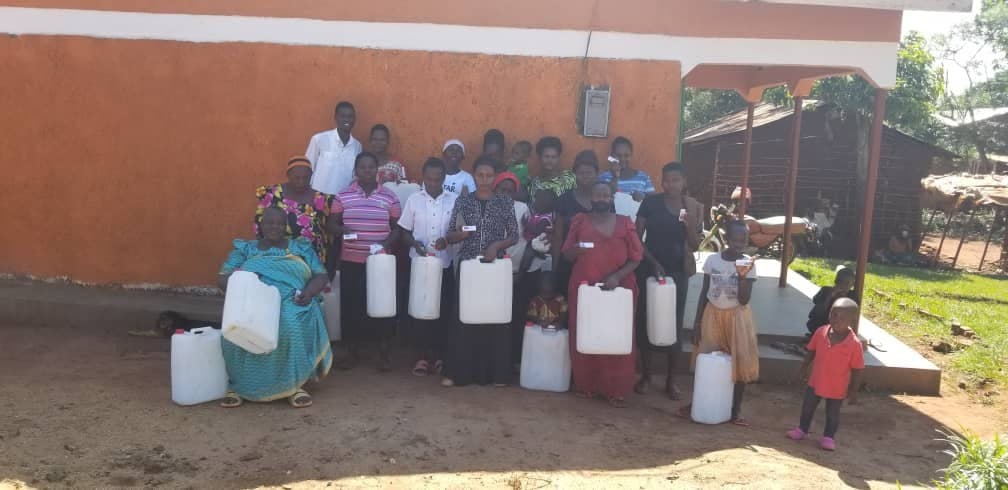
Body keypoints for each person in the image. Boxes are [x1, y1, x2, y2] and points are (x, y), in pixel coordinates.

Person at [218, 207, 332, 408]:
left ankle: (294, 386)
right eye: (270, 223)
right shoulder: (246, 249)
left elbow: (320, 275)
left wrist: (309, 292)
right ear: (261, 225)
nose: (274, 227)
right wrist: (244, 287)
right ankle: (239, 387)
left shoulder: (300, 248)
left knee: (289, 325)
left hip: (291, 299)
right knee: (238, 327)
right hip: (253, 299)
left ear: (285, 226)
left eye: (279, 223)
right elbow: (223, 278)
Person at [562, 182, 643, 408]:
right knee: (585, 333)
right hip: (585, 287)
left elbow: (636, 257)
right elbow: (567, 254)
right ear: (591, 198)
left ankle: (616, 390)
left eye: (605, 195)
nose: (601, 198)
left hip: (619, 288)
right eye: (597, 194)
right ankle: (586, 385)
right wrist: (577, 249)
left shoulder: (625, 223)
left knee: (617, 336)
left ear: (611, 198)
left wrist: (617, 276)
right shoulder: (580, 221)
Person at [443, 156, 519, 387]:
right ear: (474, 176)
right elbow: (450, 234)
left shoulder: (505, 202)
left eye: (489, 175)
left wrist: (496, 246)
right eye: (480, 175)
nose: (484, 180)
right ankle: (459, 373)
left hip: (495, 268)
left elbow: (514, 235)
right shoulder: (463, 201)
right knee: (464, 317)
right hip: (469, 266)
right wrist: (461, 234)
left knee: (494, 316)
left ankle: (495, 374)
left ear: (495, 177)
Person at [678, 220, 759, 425]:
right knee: (706, 361)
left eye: (744, 240)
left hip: (737, 317)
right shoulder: (712, 260)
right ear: (726, 238)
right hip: (712, 315)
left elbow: (744, 300)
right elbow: (704, 293)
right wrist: (697, 323)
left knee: (739, 362)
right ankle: (699, 402)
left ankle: (735, 409)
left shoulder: (748, 264)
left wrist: (742, 276)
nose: (739, 244)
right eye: (735, 239)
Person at [634, 162, 703, 399]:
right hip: (649, 270)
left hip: (677, 273)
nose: (670, 184)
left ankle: (671, 380)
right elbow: (636, 237)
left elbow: (695, 245)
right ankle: (646, 376)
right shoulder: (650, 203)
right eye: (666, 180)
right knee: (646, 320)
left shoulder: (691, 207)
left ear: (684, 182)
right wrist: (653, 263)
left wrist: (690, 226)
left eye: (675, 180)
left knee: (674, 323)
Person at [328, 152, 402, 372]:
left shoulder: (390, 197)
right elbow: (331, 225)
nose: (367, 171)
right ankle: (352, 353)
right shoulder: (342, 196)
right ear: (356, 170)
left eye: (371, 167)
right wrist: (342, 230)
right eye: (362, 167)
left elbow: (398, 229)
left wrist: (384, 245)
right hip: (351, 260)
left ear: (377, 170)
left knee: (383, 307)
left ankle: (384, 353)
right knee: (352, 307)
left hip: (380, 263)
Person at [398, 158, 458, 377]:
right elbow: (404, 231)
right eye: (429, 179)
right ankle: (422, 357)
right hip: (420, 266)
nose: (432, 184)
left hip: (444, 265)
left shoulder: (454, 200)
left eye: (437, 179)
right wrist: (414, 244)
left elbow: (461, 230)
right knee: (420, 311)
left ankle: (440, 356)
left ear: (444, 179)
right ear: (423, 177)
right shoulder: (414, 200)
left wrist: (448, 240)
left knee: (443, 310)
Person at [788, 298, 865, 451]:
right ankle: (802, 429)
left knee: (832, 413)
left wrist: (853, 391)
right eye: (833, 315)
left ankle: (828, 437)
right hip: (816, 381)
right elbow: (811, 352)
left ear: (852, 320)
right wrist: (802, 369)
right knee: (808, 407)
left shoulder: (854, 344)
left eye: (842, 318)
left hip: (837, 387)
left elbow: (857, 369)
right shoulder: (821, 332)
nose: (836, 320)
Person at [254, 156, 335, 264]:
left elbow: (328, 231)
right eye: (296, 177)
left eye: (306, 178)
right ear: (288, 175)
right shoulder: (271, 194)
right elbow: (259, 225)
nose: (301, 182)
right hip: (277, 257)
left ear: (311, 176)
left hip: (312, 260)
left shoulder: (322, 199)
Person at [553, 150, 611, 290]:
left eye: (589, 173)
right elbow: (558, 237)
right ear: (574, 174)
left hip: (597, 264)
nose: (585, 177)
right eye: (581, 173)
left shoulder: (605, 200)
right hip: (569, 262)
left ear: (597, 174)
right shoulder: (564, 200)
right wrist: (554, 269)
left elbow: (610, 234)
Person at [305, 101, 362, 195]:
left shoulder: (357, 146)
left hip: (343, 199)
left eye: (350, 116)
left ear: (354, 119)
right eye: (343, 116)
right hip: (320, 197)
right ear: (335, 117)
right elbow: (307, 168)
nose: (347, 119)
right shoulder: (319, 139)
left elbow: (355, 176)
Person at [599, 137, 655, 202]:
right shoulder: (603, 177)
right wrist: (615, 177)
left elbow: (653, 200)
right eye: (618, 155)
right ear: (612, 156)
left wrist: (643, 196)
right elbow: (603, 198)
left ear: (631, 155)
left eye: (626, 155)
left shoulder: (643, 177)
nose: (622, 159)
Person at [807, 266, 858, 336]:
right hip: (820, 324)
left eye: (847, 283)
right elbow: (817, 309)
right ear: (836, 281)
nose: (844, 286)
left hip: (840, 328)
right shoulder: (825, 290)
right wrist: (830, 295)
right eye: (841, 282)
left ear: (852, 285)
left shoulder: (852, 296)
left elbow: (852, 314)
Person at [528, 136, 575, 203]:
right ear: (540, 157)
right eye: (546, 156)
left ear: (558, 158)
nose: (550, 160)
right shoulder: (535, 184)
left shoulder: (568, 178)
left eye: (553, 157)